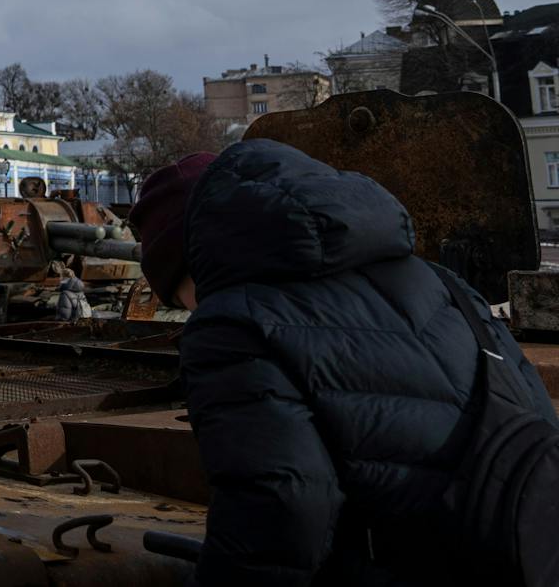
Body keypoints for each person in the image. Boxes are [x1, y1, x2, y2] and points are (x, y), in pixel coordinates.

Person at [128, 141, 559, 586]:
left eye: (178, 296)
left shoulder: (231, 325)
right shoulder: (442, 282)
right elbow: (535, 414)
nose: (190, 309)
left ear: (193, 260)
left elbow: (278, 518)